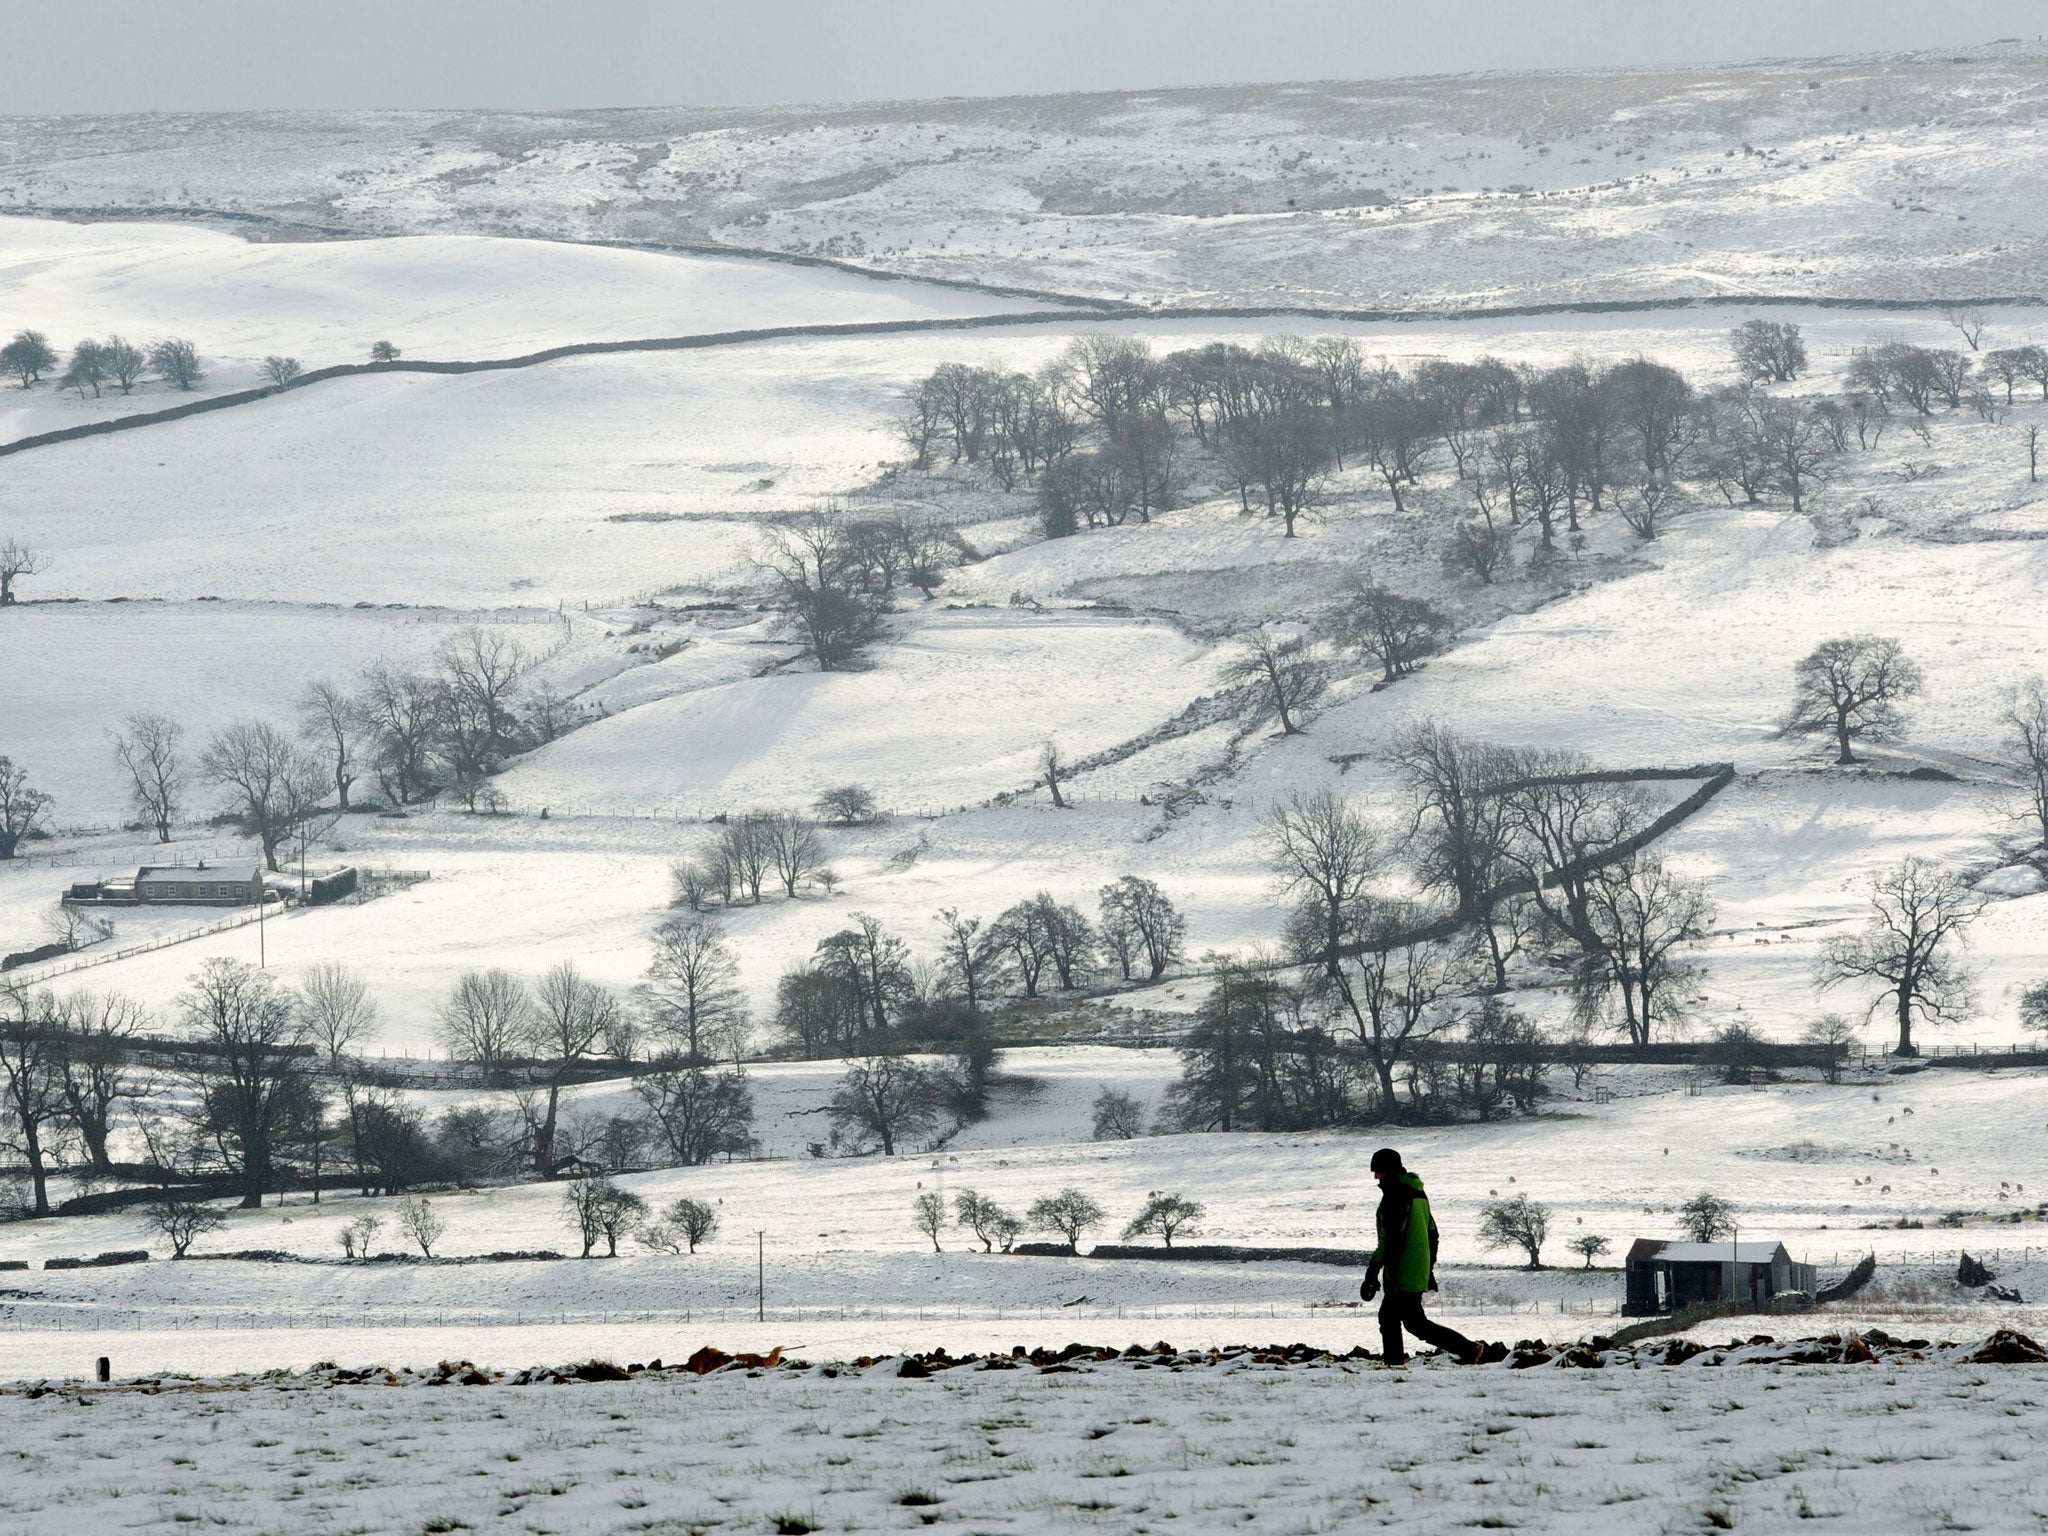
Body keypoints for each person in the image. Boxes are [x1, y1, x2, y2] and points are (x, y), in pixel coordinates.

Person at [1361, 1147, 1492, 1365]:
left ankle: (1465, 1349)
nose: (1376, 1177)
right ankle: (1467, 1349)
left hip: (1402, 1269)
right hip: (1416, 1268)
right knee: (1409, 1321)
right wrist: (1427, 1265)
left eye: (1379, 1172)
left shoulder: (1395, 1196)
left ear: (1389, 1171)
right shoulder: (1418, 1193)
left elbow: (1390, 1240)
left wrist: (1372, 1271)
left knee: (1399, 1320)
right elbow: (1433, 1232)